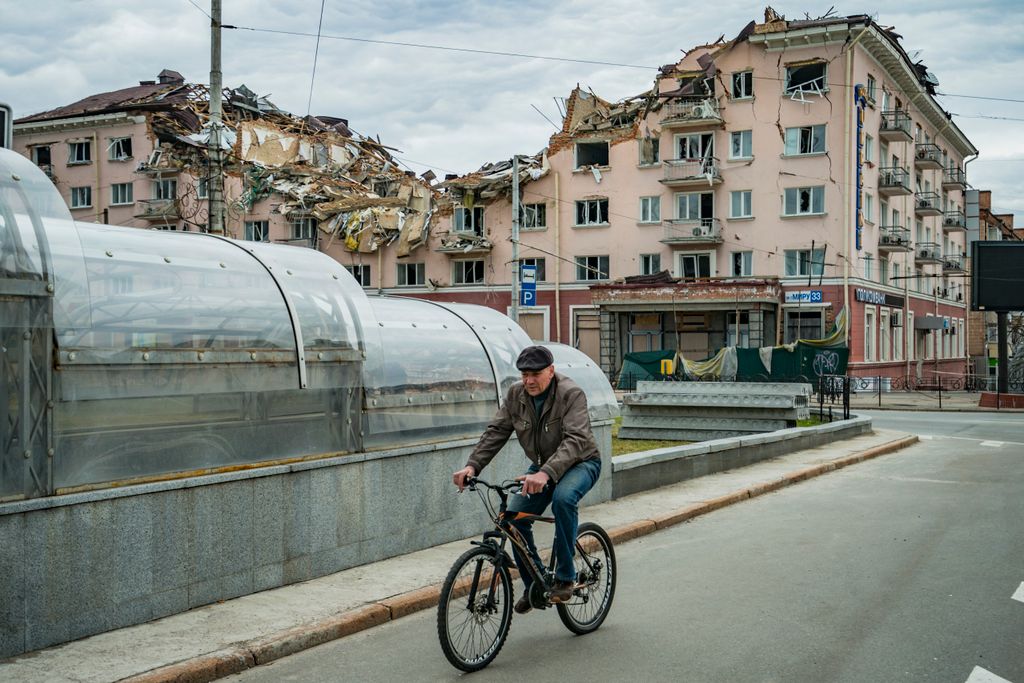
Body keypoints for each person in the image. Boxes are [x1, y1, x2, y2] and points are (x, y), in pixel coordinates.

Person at [452, 344, 602, 615]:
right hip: (543, 465)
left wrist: (545, 474)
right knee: (514, 518)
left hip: (582, 462)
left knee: (563, 499)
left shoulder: (571, 394)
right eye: (524, 375)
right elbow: (496, 432)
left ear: (551, 371)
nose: (529, 380)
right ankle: (536, 585)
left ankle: (566, 577)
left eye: (536, 374)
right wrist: (472, 466)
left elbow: (576, 439)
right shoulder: (516, 395)